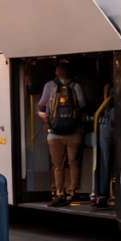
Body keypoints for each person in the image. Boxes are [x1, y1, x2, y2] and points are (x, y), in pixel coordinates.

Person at [36, 60, 86, 207]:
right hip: (74, 132)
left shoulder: (49, 86)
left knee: (58, 165)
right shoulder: (76, 86)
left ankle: (59, 192)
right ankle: (72, 192)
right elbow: (82, 104)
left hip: (54, 133)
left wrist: (41, 114)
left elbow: (41, 105)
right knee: (73, 163)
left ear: (57, 71)